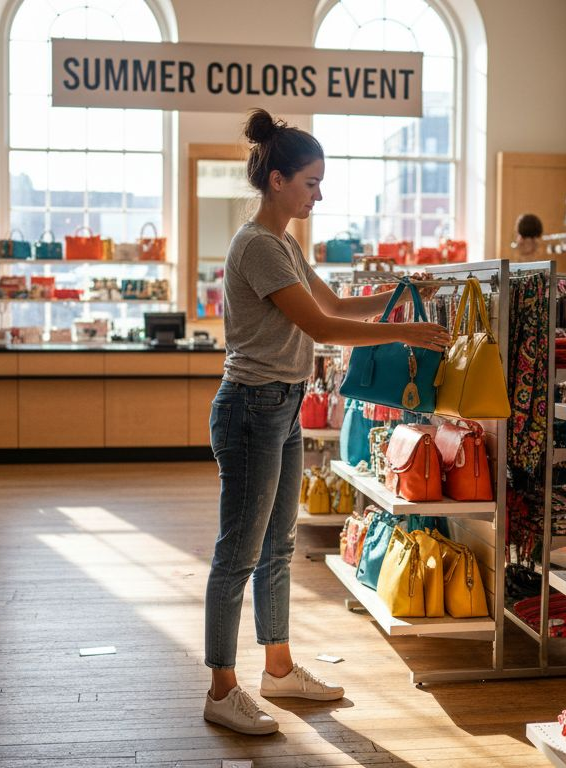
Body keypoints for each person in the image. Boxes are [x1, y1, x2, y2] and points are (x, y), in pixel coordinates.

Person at [203, 109, 451, 736]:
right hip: (252, 406)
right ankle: (220, 687)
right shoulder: (258, 245)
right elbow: (321, 328)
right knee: (240, 550)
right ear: (279, 179)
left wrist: (400, 294)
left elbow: (337, 303)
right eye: (312, 182)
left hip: (280, 404)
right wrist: (406, 328)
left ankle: (279, 669)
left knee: (278, 545)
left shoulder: (284, 242)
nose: (320, 193)